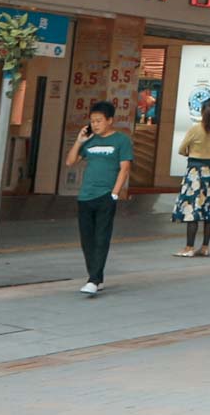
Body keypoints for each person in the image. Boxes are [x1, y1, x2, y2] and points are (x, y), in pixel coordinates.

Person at [65, 99, 132, 297]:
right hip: (85, 196)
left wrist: (114, 193)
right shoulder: (90, 140)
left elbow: (125, 168)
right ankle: (97, 277)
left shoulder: (121, 140)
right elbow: (70, 162)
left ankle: (93, 280)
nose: (95, 124)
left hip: (105, 195)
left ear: (110, 120)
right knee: (87, 239)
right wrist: (79, 141)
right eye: (92, 121)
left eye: (99, 121)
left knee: (101, 237)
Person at [172, 97, 210, 257]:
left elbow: (181, 149)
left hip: (195, 170)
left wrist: (190, 152)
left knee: (192, 208)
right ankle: (205, 247)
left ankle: (189, 248)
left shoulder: (195, 129)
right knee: (209, 209)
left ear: (202, 111)